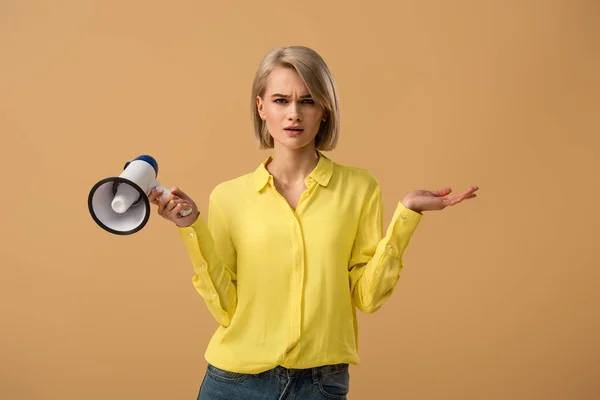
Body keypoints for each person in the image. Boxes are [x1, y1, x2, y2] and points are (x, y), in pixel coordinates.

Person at [148, 45, 478, 400]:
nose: (294, 114)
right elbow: (227, 308)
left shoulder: (360, 188)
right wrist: (191, 226)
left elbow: (367, 298)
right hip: (235, 383)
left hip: (319, 385)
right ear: (261, 107)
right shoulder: (228, 197)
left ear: (324, 110)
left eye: (307, 101)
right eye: (280, 100)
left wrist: (407, 216)